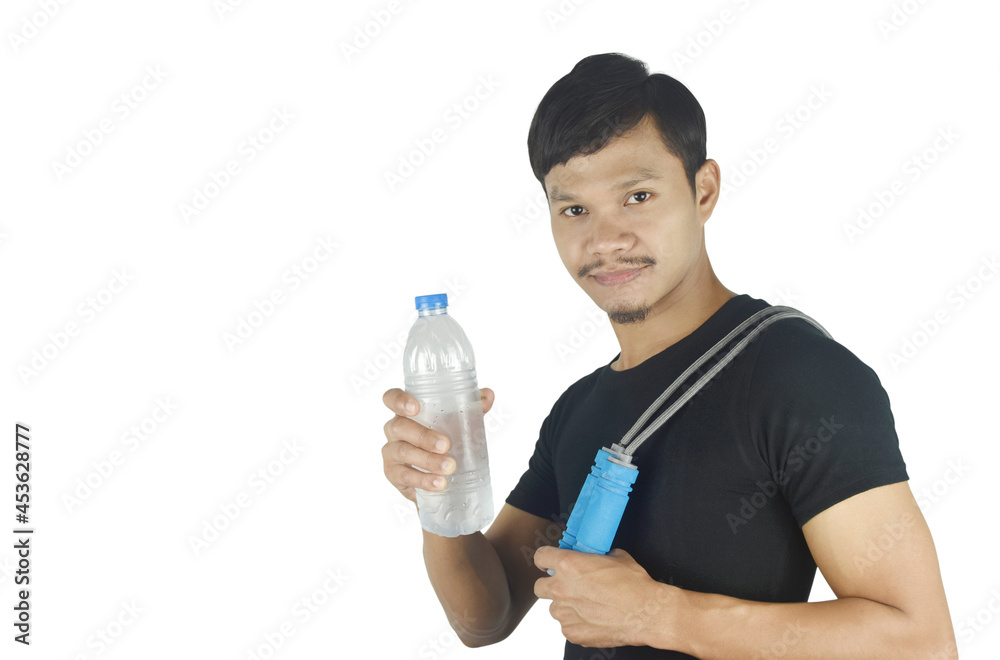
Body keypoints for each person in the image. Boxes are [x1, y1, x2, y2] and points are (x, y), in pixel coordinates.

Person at [380, 53, 957, 659]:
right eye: (574, 208)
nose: (604, 240)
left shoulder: (800, 375)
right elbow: (485, 617)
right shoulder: (579, 409)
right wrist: (435, 494)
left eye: (637, 195)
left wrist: (661, 615)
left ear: (703, 190)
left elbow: (921, 642)